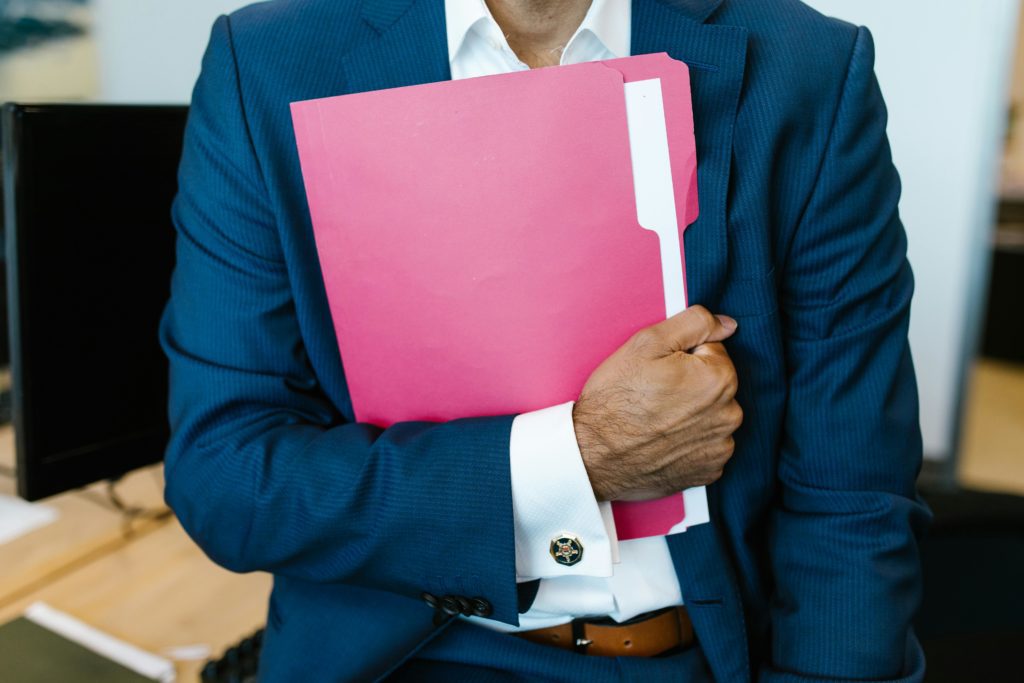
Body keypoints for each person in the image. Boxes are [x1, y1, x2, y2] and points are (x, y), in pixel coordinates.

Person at [160, 0, 930, 680]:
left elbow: (853, 492)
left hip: (706, 652)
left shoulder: (808, 68)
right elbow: (229, 478)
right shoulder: (264, 62)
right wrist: (577, 457)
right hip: (399, 653)